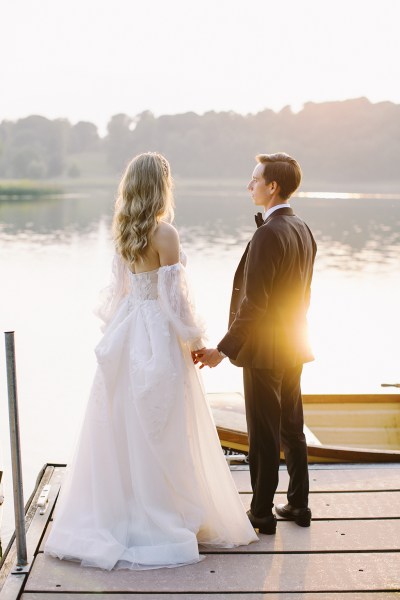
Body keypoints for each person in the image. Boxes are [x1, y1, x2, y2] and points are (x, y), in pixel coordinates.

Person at [44, 152, 257, 571]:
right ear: (161, 187)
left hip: (128, 331)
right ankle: (165, 514)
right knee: (166, 427)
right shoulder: (166, 234)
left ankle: (125, 511)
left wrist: (118, 333)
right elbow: (176, 300)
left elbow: (118, 294)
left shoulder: (125, 232)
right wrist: (195, 340)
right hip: (156, 333)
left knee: (125, 425)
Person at [195, 153, 317, 534]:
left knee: (263, 434)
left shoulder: (269, 233)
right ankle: (298, 504)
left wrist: (224, 348)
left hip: (265, 350)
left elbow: (255, 303)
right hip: (294, 344)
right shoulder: (302, 228)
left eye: (254, 180)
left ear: (272, 186)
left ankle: (262, 512)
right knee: (292, 425)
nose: (249, 186)